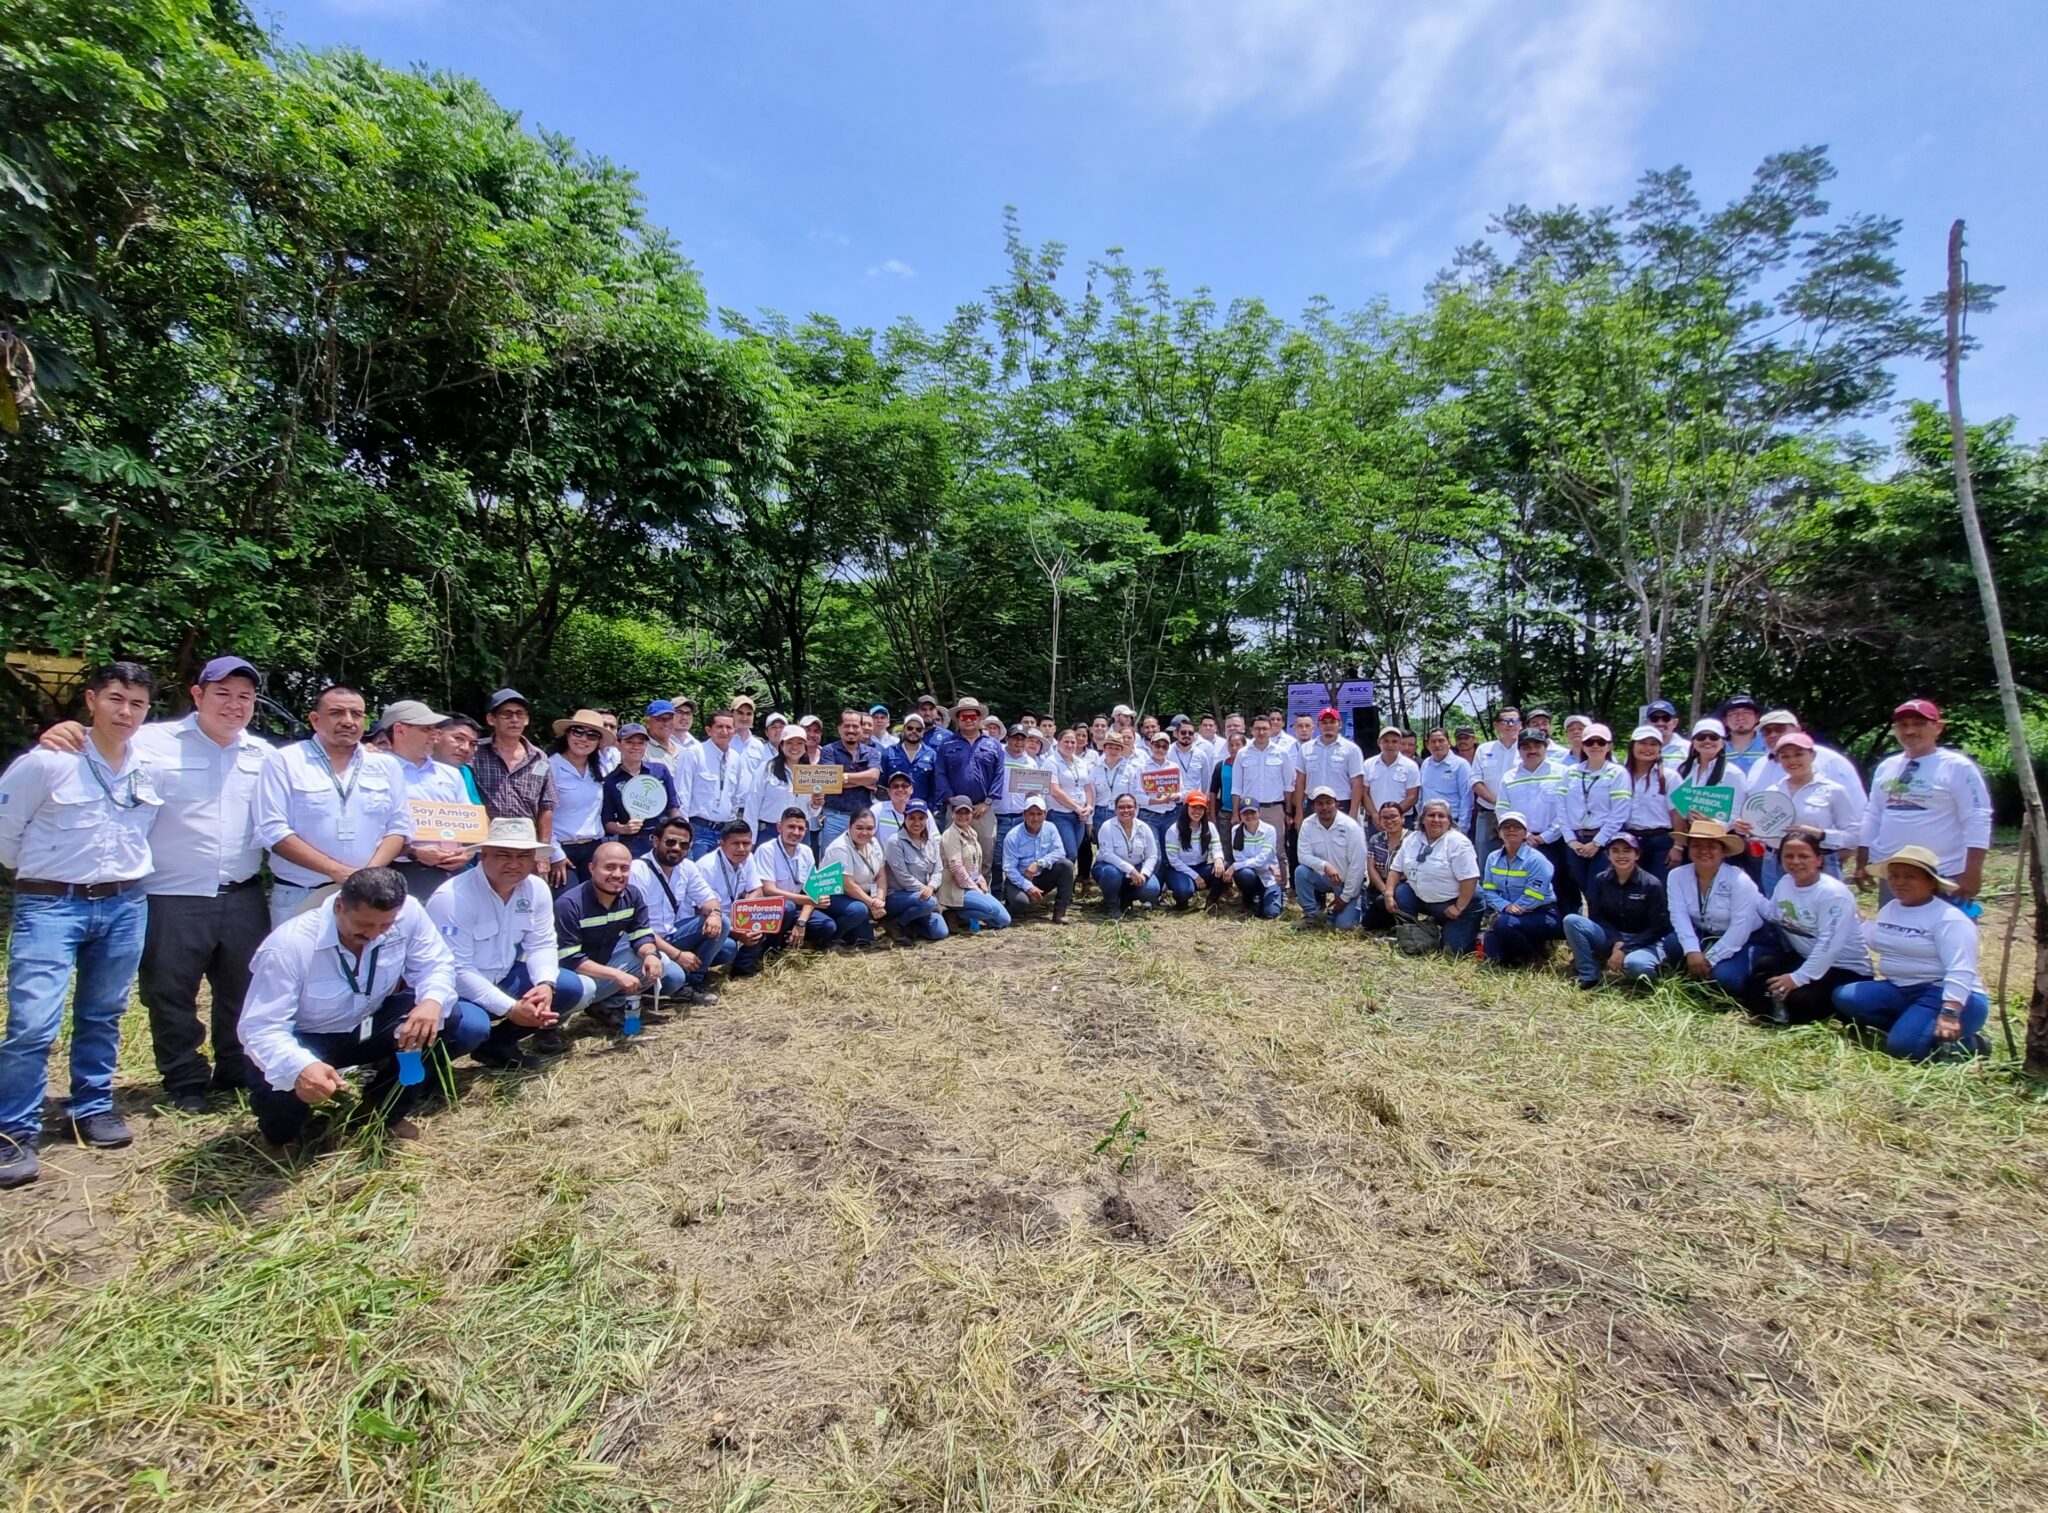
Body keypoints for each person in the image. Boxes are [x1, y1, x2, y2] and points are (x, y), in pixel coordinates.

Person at [40, 655, 271, 1114]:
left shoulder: (265, 755)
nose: (234, 705)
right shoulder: (149, 742)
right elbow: (97, 747)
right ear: (198, 695)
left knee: (245, 987)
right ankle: (185, 1079)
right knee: (169, 991)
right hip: (170, 894)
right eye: (222, 693)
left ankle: (235, 1069)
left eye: (244, 696)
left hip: (243, 893)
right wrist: (62, 733)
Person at [0, 662, 164, 1186]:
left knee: (104, 1012)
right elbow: (6, 831)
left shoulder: (148, 766)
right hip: (52, 904)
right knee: (33, 1021)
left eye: (137, 703)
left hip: (123, 904)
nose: (126, 711)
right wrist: (32, 878)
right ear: (91, 700)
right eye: (116, 699)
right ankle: (13, 1131)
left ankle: (91, 1106)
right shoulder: (46, 763)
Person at [238, 867, 487, 1147]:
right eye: (363, 925)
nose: (374, 934)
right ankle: (283, 1138)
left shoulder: (409, 912)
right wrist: (301, 1065)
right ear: (339, 905)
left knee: (444, 1016)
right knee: (278, 1080)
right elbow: (261, 1027)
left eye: (385, 925)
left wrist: (431, 1000)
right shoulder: (288, 947)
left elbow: (436, 964)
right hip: (308, 1039)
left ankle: (382, 1111)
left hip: (370, 1023)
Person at [427, 818, 587, 1070]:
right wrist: (511, 1009)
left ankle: (497, 1046)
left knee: (568, 987)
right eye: (503, 854)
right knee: (472, 1026)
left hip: (504, 976)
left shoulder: (536, 888)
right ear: (484, 855)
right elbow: (456, 971)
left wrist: (545, 985)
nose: (514, 864)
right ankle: (429, 1071)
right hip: (458, 991)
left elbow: (541, 943)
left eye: (523, 856)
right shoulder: (453, 897)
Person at [256, 684, 412, 924]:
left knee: (363, 960)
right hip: (300, 893)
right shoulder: (283, 761)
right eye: (337, 713)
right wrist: (339, 872)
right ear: (315, 719)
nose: (348, 721)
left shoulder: (386, 766)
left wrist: (366, 877)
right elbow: (273, 831)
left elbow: (399, 827)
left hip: (368, 895)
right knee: (299, 961)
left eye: (356, 714)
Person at [1834, 846, 1992, 1061]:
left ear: (1931, 882)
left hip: (1945, 994)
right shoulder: (1891, 908)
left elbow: (1961, 969)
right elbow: (1879, 940)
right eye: (1894, 876)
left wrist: (1950, 1012)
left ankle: (1969, 1044)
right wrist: (1858, 920)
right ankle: (1914, 1026)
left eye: (1910, 877)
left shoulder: (1948, 919)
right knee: (1845, 996)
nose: (1899, 882)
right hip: (1900, 988)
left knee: (1903, 1048)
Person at [1853, 699, 1992, 906]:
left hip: (1943, 873)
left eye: (1919, 724)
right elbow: (1873, 814)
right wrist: (1862, 861)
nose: (1910, 731)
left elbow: (1977, 817)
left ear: (1938, 727)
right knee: (1897, 932)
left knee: (1945, 934)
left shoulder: (1957, 767)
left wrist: (1973, 871)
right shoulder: (1887, 767)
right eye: (1903, 725)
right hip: (1894, 873)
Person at [1624, 819, 1765, 997]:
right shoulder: (1677, 876)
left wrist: (1709, 959)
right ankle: (1692, 974)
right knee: (1673, 943)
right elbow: (1679, 915)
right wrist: (1692, 951)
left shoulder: (1739, 880)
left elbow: (1740, 928)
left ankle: (1714, 972)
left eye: (1712, 846)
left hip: (1746, 939)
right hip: (1705, 934)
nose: (1703, 851)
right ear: (1689, 850)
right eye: (1696, 845)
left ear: (1723, 852)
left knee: (1726, 980)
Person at [1744, 831, 1873, 1024]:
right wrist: (1747, 889)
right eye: (1788, 856)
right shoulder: (1786, 882)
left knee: (1800, 1000)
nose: (1795, 861)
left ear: (1819, 860)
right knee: (1764, 967)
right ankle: (1769, 1016)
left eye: (1803, 856)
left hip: (1845, 968)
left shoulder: (1832, 894)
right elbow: (1773, 913)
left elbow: (1828, 946)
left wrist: (1797, 978)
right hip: (1806, 958)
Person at [554, 840, 683, 1027]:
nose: (617, 874)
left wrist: (649, 954)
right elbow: (570, 959)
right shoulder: (569, 904)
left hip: (603, 967)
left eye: (624, 868)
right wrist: (616, 975)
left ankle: (609, 1005)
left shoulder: (632, 895)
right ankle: (549, 1028)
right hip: (572, 976)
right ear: (592, 868)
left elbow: (641, 935)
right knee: (585, 988)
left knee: (660, 961)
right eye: (609, 868)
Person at [630, 816, 733, 1003]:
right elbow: (640, 930)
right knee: (675, 977)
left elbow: (710, 900)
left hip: (672, 934)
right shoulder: (637, 871)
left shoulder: (687, 867)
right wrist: (677, 955)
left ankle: (692, 983)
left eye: (684, 845)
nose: (676, 848)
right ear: (655, 840)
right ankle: (677, 983)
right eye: (670, 842)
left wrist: (715, 914)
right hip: (645, 944)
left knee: (725, 934)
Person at [382, 698, 474, 902]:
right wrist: (414, 852)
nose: (435, 735)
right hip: (397, 871)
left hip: (452, 873)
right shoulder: (376, 771)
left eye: (435, 729)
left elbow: (470, 826)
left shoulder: (450, 774)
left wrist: (467, 853)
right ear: (399, 730)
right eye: (426, 729)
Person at [1753, 731, 1862, 893]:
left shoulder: (1833, 790)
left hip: (1820, 861)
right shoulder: (1772, 791)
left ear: (1812, 755)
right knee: (1780, 914)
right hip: (1775, 862)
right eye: (1785, 756)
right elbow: (1764, 831)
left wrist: (1820, 834)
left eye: (1799, 754)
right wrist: (1749, 829)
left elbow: (1853, 834)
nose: (1792, 761)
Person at [1562, 835, 1667, 990]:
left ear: (1637, 855)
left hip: (1643, 941)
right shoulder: (1600, 880)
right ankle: (1588, 974)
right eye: (1615, 851)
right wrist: (1617, 941)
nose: (1621, 855)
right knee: (1571, 921)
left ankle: (1649, 973)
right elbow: (1596, 916)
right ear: (1608, 855)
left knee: (1637, 966)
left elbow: (1658, 928)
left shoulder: (1651, 884)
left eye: (1627, 850)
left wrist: (1625, 948)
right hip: (1611, 936)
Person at [1383, 799, 1482, 956]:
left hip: (1457, 903)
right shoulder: (1412, 839)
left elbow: (1469, 879)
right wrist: (1388, 894)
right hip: (1423, 898)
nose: (1436, 820)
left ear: (1449, 821)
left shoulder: (1458, 842)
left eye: (1441, 816)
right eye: (1431, 815)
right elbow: (1395, 869)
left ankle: (1450, 926)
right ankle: (1415, 930)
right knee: (1401, 892)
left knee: (1452, 952)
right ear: (1422, 819)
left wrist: (1459, 907)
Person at [754, 807, 862, 949]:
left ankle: (793, 940)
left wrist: (802, 922)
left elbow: (813, 890)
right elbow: (769, 891)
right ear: (779, 827)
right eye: (791, 827)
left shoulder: (806, 851)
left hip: (796, 905)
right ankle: (771, 948)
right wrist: (808, 900)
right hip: (770, 907)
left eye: (801, 828)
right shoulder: (766, 850)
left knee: (828, 927)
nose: (796, 832)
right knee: (787, 907)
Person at [471, 690, 557, 852]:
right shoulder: (475, 753)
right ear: (491, 719)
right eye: (507, 714)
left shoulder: (539, 758)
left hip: (527, 844)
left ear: (527, 720)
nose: (514, 720)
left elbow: (546, 807)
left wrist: (544, 851)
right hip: (486, 843)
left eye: (520, 714)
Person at [1557, 722, 1630, 908]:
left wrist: (1597, 842)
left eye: (1601, 741)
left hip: (1605, 842)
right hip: (1576, 842)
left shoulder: (1617, 773)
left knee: (1599, 891)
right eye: (1590, 742)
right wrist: (1570, 840)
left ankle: (1604, 933)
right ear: (1583, 745)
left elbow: (1619, 812)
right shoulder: (1570, 773)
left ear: (1609, 745)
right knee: (1584, 890)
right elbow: (1561, 808)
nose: (1595, 746)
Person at [1478, 813, 1562, 967]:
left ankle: (1534, 958)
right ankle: (1522, 950)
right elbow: (1488, 890)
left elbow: (1534, 895)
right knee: (1492, 957)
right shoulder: (1492, 858)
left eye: (1517, 827)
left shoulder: (1536, 859)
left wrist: (1512, 910)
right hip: (1508, 912)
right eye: (1506, 827)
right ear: (1499, 832)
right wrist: (1505, 906)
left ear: (1525, 833)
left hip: (1542, 914)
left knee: (1503, 924)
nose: (1511, 830)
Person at [1668, 719, 1749, 873]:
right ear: (1693, 742)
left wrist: (1712, 822)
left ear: (1723, 742)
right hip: (1690, 840)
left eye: (1713, 737)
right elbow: (1677, 804)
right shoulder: (1684, 770)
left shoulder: (1733, 773)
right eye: (1701, 737)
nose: (1707, 741)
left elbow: (1737, 813)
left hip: (1719, 843)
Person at [695, 821, 774, 975]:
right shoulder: (706, 867)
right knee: (729, 947)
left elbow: (757, 889)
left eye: (746, 843)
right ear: (722, 843)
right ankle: (697, 976)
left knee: (768, 915)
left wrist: (744, 916)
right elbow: (699, 911)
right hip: (713, 921)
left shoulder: (748, 857)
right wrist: (736, 930)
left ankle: (744, 965)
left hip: (736, 915)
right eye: (735, 843)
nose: (741, 849)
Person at [1500, 728, 1566, 904]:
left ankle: (1566, 927)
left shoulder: (1562, 773)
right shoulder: (1509, 777)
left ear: (1545, 747)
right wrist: (1526, 835)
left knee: (1563, 888)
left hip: (1557, 841)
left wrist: (1547, 836)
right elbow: (1502, 809)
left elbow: (1568, 810)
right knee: (1526, 888)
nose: (1532, 750)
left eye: (1537, 745)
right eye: (1526, 746)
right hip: (1522, 843)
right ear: (1519, 750)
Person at [546, 708, 610, 888]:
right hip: (562, 850)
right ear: (567, 734)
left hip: (594, 849)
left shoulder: (599, 770)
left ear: (598, 742)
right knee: (565, 906)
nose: (583, 739)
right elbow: (540, 812)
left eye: (592, 735)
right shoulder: (550, 766)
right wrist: (554, 853)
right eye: (578, 732)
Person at [935, 698, 1004, 857]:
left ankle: (983, 882)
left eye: (972, 717)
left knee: (985, 855)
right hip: (954, 809)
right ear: (958, 719)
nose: (968, 720)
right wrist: (952, 800)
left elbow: (999, 774)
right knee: (952, 855)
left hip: (983, 810)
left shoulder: (994, 745)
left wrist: (987, 802)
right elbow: (940, 774)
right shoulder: (946, 745)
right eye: (964, 717)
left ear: (979, 719)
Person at [600, 723, 680, 858]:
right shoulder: (610, 781)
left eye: (641, 743)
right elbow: (606, 822)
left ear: (646, 745)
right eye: (629, 742)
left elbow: (673, 806)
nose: (636, 747)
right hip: (632, 843)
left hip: (662, 840)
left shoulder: (660, 770)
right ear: (618, 744)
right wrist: (623, 829)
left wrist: (675, 835)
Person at [1752, 709, 1866, 803]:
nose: (1773, 735)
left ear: (1797, 729)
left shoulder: (1831, 761)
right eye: (1766, 731)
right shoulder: (1758, 767)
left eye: (1779, 729)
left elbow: (1855, 805)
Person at [1295, 786, 1369, 929]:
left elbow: (1357, 866)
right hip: (1325, 878)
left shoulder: (1351, 827)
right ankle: (1311, 916)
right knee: (1301, 872)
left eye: (1328, 802)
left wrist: (1345, 897)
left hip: (1349, 882)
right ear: (1313, 806)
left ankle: (1355, 905)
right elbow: (1302, 856)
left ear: (1337, 803)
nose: (1324, 807)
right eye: (1319, 803)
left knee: (1344, 927)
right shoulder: (1308, 824)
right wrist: (1325, 866)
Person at [938, 795, 1011, 932]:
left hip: (971, 886)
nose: (963, 816)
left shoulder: (973, 834)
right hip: (956, 890)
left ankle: (966, 914)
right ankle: (954, 913)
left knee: (1004, 920)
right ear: (952, 813)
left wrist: (981, 880)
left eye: (967, 812)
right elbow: (956, 868)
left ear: (972, 813)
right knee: (991, 909)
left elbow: (974, 864)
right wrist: (975, 889)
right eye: (959, 812)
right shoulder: (950, 835)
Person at [684, 710, 747, 861]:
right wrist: (684, 832)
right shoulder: (694, 753)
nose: (724, 731)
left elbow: (737, 796)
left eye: (729, 727)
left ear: (734, 731)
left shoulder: (736, 758)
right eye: (719, 727)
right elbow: (682, 794)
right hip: (699, 830)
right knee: (698, 878)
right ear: (709, 730)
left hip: (725, 831)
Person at [816, 708, 883, 851]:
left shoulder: (871, 753)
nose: (851, 730)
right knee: (832, 866)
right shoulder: (828, 751)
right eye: (847, 726)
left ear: (861, 728)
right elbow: (828, 781)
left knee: (861, 863)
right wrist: (863, 781)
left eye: (855, 726)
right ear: (839, 728)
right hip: (834, 817)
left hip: (862, 820)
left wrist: (842, 777)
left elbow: (873, 776)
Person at [1001, 796, 1076, 923]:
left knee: (1066, 865)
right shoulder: (1013, 836)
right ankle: (1008, 905)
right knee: (1020, 904)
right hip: (1019, 879)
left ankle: (1060, 913)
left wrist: (1039, 863)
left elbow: (1060, 852)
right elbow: (1009, 868)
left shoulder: (1051, 828)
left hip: (1042, 875)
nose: (1035, 818)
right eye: (1031, 814)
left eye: (1039, 813)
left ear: (1045, 814)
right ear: (1024, 814)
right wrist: (1027, 886)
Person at [883, 802, 949, 942]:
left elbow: (938, 869)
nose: (917, 822)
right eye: (912, 818)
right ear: (904, 819)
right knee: (929, 903)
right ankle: (896, 923)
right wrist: (926, 890)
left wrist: (931, 887)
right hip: (898, 895)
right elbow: (903, 877)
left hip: (923, 897)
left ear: (926, 820)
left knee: (940, 932)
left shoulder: (931, 841)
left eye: (921, 818)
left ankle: (910, 925)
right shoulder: (895, 842)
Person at [824, 807, 894, 938]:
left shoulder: (874, 842)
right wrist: (872, 904)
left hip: (862, 896)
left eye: (869, 828)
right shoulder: (840, 848)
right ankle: (831, 936)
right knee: (858, 910)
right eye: (859, 828)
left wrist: (879, 899)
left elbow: (881, 874)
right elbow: (848, 885)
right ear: (849, 826)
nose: (865, 833)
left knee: (866, 939)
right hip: (836, 896)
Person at [747, 728, 824, 845]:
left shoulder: (810, 773)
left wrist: (815, 805)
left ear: (805, 747)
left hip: (800, 833)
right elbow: (752, 803)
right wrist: (750, 840)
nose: (794, 747)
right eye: (789, 743)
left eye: (799, 743)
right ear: (781, 745)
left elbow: (812, 813)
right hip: (770, 832)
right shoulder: (766, 768)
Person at [1621, 724, 1679, 878]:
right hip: (1628, 840)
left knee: (1659, 891)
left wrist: (1678, 847)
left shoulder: (1670, 777)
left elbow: (1678, 813)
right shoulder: (1620, 776)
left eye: (1653, 744)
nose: (1647, 748)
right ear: (1632, 746)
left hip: (1661, 842)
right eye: (1642, 743)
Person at [1093, 792, 1163, 920]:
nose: (1126, 810)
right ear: (1115, 809)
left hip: (1136, 869)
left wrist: (1144, 873)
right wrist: (1130, 870)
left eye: (1130, 807)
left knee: (1152, 889)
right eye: (1121, 807)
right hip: (1109, 868)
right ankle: (1111, 905)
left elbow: (1152, 855)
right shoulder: (1107, 827)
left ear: (1136, 808)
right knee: (1111, 873)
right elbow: (1107, 854)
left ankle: (1125, 899)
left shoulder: (1144, 827)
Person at [1469, 708, 1522, 860]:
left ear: (1521, 725)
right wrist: (1498, 803)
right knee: (1485, 861)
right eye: (1506, 721)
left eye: (1514, 721)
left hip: (1517, 815)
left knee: (1518, 860)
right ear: (1496, 725)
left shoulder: (1526, 750)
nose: (1510, 725)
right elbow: (1475, 780)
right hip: (1488, 813)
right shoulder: (1484, 749)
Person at [1295, 706, 1366, 817]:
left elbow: (1357, 783)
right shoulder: (1305, 748)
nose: (1328, 725)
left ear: (1340, 724)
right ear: (1318, 726)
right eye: (1324, 722)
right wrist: (1299, 811)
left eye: (1332, 722)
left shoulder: (1351, 749)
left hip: (1341, 804)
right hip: (1313, 804)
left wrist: (1353, 812)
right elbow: (1300, 782)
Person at [1163, 792, 1228, 910]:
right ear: (1186, 807)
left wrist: (1218, 859)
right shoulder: (1174, 830)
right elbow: (1174, 860)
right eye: (1194, 807)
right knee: (1184, 890)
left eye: (1201, 808)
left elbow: (1217, 847)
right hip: (1180, 870)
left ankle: (1212, 902)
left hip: (1201, 867)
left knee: (1224, 866)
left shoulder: (1210, 827)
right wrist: (1195, 876)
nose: (1197, 812)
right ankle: (1181, 902)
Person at [1230, 802, 1286, 919]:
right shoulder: (1235, 830)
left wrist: (1234, 866)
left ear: (1259, 813)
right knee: (1245, 873)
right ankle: (1249, 898)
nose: (1249, 816)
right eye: (1245, 813)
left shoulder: (1269, 830)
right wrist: (1269, 866)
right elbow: (1239, 859)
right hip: (1252, 875)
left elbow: (1262, 858)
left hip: (1269, 877)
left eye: (1252, 812)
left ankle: (1266, 896)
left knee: (1272, 913)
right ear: (1240, 815)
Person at [1047, 727, 1095, 864]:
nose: (1070, 745)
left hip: (1080, 816)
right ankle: (1061, 884)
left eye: (1073, 742)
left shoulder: (1079, 762)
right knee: (1070, 853)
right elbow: (1054, 790)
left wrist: (1089, 807)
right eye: (1066, 742)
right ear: (1059, 742)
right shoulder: (1051, 762)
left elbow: (1087, 787)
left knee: (1072, 855)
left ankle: (1065, 884)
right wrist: (1077, 808)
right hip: (1060, 814)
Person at [1362, 800, 1409, 931]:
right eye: (1385, 818)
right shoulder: (1375, 839)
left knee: (1382, 902)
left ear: (1402, 818)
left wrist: (1390, 892)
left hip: (1403, 885)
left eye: (1393, 817)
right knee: (1367, 925)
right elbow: (1371, 867)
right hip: (1379, 885)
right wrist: (1385, 890)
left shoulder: (1412, 840)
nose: (1389, 821)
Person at [1417, 729, 1474, 832]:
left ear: (1449, 743)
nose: (1437, 745)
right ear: (1427, 744)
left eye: (1441, 740)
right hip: (1428, 823)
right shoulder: (1425, 764)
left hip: (1452, 823)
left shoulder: (1461, 765)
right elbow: (1421, 795)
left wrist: (1462, 828)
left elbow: (1467, 799)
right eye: (1433, 742)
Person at [880, 713, 940, 807]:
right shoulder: (889, 753)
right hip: (894, 808)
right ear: (904, 729)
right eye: (910, 728)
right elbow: (882, 784)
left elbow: (935, 787)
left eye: (918, 729)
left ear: (923, 732)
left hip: (920, 810)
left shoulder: (932, 755)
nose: (914, 731)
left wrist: (932, 809)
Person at [1365, 727, 1422, 819]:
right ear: (1379, 743)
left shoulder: (1410, 766)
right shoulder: (1368, 765)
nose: (1390, 745)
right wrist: (1375, 815)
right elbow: (1364, 793)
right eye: (1386, 741)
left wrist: (1392, 815)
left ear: (1400, 744)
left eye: (1394, 741)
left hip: (1402, 818)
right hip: (1375, 820)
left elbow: (1412, 796)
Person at [1166, 715, 1218, 802]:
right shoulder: (1168, 753)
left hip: (1195, 802)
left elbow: (1205, 782)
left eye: (1190, 733)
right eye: (1183, 732)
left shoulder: (1201, 755)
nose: (1187, 735)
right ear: (1175, 733)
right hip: (1173, 803)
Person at [1719, 694, 1769, 777]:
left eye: (1746, 713)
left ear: (1757, 718)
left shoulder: (1769, 744)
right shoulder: (1716, 747)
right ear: (1725, 721)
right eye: (1733, 714)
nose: (1740, 717)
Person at [873, 770, 917, 849]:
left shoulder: (923, 811)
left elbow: (936, 840)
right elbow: (867, 836)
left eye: (904, 786)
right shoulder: (878, 809)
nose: (900, 789)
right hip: (884, 860)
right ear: (889, 791)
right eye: (895, 786)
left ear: (911, 789)